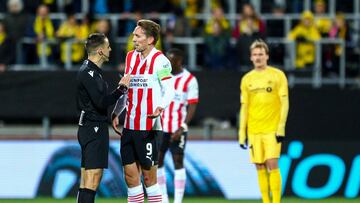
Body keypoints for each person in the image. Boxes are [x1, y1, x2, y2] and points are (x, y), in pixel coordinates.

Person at [112, 19, 175, 203]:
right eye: (134, 35)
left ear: (150, 40)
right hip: (130, 125)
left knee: (149, 179)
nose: (134, 39)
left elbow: (169, 89)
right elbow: (127, 85)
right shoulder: (130, 56)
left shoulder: (160, 61)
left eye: (138, 36)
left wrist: (160, 107)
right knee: (130, 178)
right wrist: (117, 111)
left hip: (149, 126)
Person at [76, 33, 131, 203]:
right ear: (100, 51)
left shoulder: (89, 70)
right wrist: (121, 89)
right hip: (94, 128)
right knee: (92, 179)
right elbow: (101, 102)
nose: (110, 49)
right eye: (107, 46)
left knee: (86, 179)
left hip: (88, 127)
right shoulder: (89, 73)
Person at [238, 39, 289, 203]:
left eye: (261, 54)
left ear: (267, 56)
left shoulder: (277, 75)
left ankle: (276, 202)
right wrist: (242, 132)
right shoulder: (247, 79)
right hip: (254, 130)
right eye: (255, 54)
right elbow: (244, 107)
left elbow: (285, 102)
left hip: (272, 129)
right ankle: (266, 201)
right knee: (259, 166)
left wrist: (281, 127)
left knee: (272, 164)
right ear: (251, 58)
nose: (258, 57)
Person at [157, 48, 199, 203]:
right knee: (158, 161)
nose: (167, 63)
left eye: (171, 60)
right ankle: (164, 199)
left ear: (179, 61)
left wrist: (182, 128)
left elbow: (192, 106)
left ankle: (178, 201)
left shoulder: (189, 80)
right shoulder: (162, 76)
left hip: (177, 127)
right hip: (160, 127)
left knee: (178, 161)